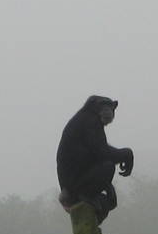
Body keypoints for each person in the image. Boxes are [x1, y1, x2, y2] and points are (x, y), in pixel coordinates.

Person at [56, 95, 134, 223]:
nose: (107, 110)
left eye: (109, 107)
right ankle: (85, 196)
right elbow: (103, 153)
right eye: (103, 106)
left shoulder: (87, 121)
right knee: (108, 167)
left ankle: (92, 226)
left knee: (109, 201)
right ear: (94, 107)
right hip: (74, 184)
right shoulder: (89, 120)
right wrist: (127, 154)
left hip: (77, 179)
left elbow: (96, 153)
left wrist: (107, 185)